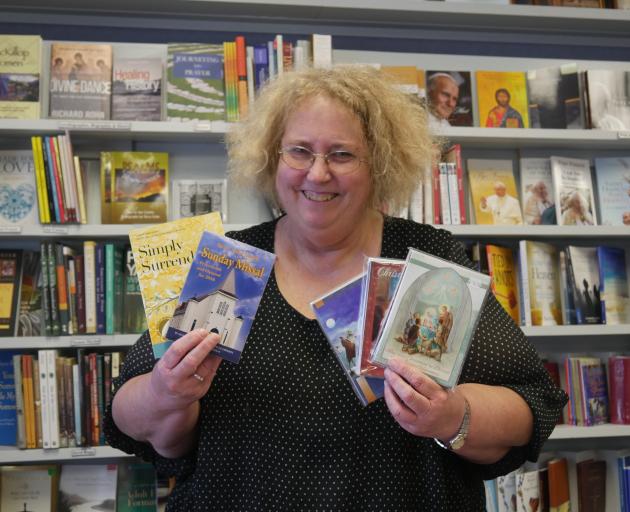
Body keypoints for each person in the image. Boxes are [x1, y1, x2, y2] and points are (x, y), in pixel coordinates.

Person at [104, 65, 567, 510]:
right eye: (299, 151)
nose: (318, 173)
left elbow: (530, 403)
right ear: (272, 157)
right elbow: (129, 414)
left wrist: (453, 416)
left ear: (379, 165)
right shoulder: (228, 263)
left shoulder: (424, 258)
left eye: (342, 154)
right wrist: (165, 394)